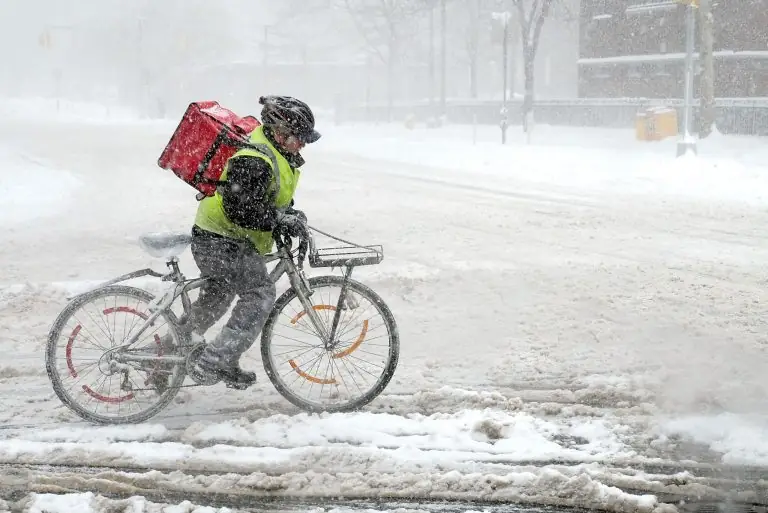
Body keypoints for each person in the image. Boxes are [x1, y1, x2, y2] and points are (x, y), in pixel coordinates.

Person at [180, 95, 321, 389]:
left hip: (218, 235)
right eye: (300, 138)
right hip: (221, 238)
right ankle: (214, 361)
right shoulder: (255, 158)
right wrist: (277, 220)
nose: (303, 145)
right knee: (259, 294)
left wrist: (287, 215)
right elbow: (241, 208)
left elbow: (267, 197)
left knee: (217, 297)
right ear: (281, 132)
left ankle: (165, 355)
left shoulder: (275, 153)